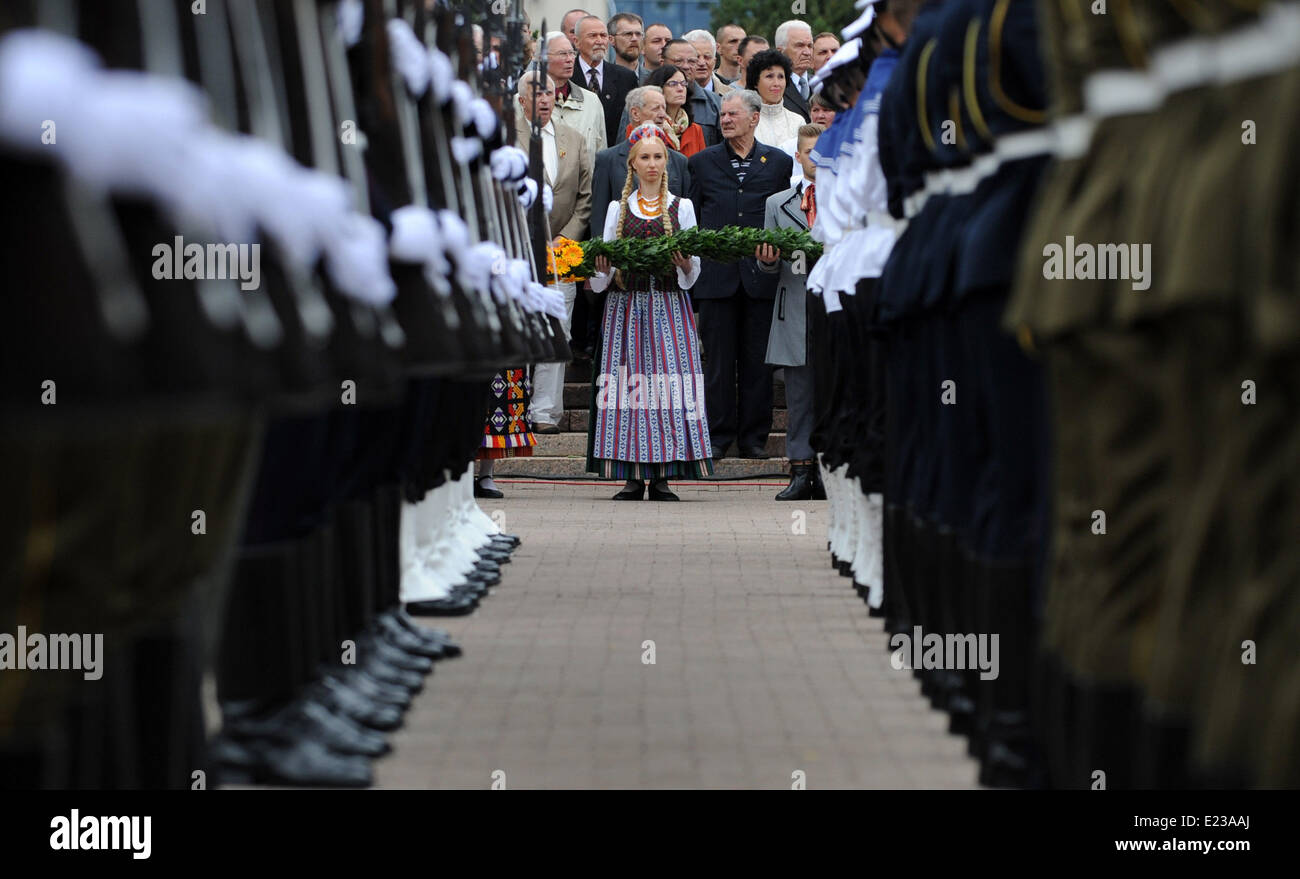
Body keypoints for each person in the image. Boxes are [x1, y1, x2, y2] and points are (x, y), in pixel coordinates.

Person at [586, 123, 714, 501]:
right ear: (633, 164)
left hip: (669, 309)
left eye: (658, 157)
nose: (653, 164)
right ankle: (630, 474)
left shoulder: (682, 207)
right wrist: (604, 267)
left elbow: (694, 274)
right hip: (626, 308)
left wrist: (685, 264)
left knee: (666, 388)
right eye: (645, 157)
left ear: (667, 163)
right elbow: (600, 276)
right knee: (628, 388)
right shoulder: (618, 209)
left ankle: (662, 475)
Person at [688, 90, 794, 460]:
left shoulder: (778, 162)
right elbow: (694, 215)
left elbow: (784, 215)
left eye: (734, 114)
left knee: (757, 363)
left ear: (754, 118)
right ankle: (718, 436)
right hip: (716, 279)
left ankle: (753, 438)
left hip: (760, 277)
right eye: (724, 114)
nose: (726, 119)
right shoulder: (702, 163)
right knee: (717, 363)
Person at [512, 70, 591, 438]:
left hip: (562, 251)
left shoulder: (573, 139)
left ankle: (545, 411)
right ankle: (512, 411)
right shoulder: (501, 139)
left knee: (556, 331)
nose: (544, 97)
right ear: (521, 98)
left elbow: (585, 197)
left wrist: (565, 236)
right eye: (536, 90)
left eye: (548, 91)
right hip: (513, 252)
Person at [756, 123, 825, 500]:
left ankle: (832, 471)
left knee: (834, 392)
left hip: (835, 307)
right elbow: (769, 267)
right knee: (799, 395)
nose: (816, 158)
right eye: (809, 151)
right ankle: (800, 470)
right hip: (794, 305)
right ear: (798, 156)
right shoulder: (777, 203)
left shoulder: (847, 200)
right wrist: (767, 260)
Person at [574, 15, 639, 148]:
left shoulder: (626, 77)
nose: (599, 41)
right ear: (576, 42)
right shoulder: (566, 75)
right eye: (593, 36)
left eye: (603, 36)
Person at [544, 31, 606, 163]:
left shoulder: (591, 101)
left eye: (572, 53)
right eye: (562, 54)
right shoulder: (524, 99)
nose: (569, 59)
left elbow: (601, 151)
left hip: (583, 182)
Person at [644, 65, 708, 157]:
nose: (680, 89)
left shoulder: (695, 130)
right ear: (658, 88)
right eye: (673, 84)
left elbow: (701, 165)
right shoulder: (644, 127)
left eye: (683, 84)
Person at [746, 49, 805, 147]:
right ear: (756, 82)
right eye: (769, 76)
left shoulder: (798, 121)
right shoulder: (746, 121)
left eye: (781, 77)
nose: (776, 83)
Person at [774, 20, 813, 120]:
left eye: (810, 46)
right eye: (799, 46)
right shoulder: (771, 88)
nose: (807, 52)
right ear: (780, 51)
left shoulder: (820, 85)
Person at [683, 29, 730, 96]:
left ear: (714, 61)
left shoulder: (731, 95)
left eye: (707, 57)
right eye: (696, 57)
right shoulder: (676, 95)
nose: (702, 63)